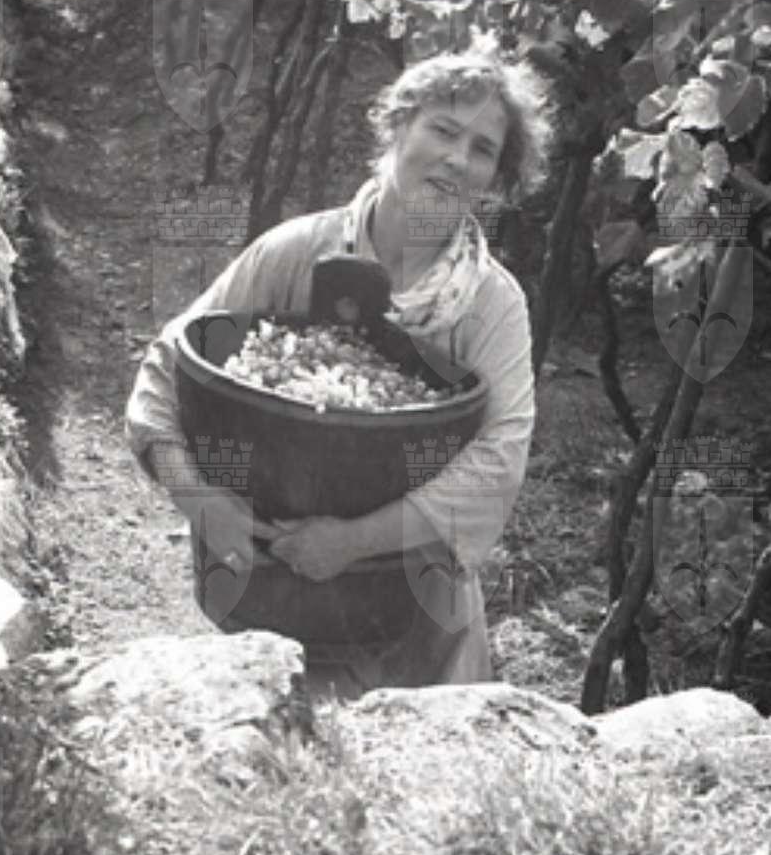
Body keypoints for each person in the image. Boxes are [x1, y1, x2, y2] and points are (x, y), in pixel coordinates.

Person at [126, 47, 557, 698]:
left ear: (494, 178)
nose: (456, 159)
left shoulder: (491, 305)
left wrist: (354, 542)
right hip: (271, 594)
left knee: (417, 752)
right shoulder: (298, 252)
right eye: (443, 130)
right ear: (398, 127)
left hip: (414, 609)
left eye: (482, 150)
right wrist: (199, 498)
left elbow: (498, 460)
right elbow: (168, 366)